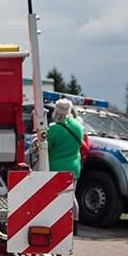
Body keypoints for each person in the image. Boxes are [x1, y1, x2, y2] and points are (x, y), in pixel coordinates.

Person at [48, 98, 84, 229]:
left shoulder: (54, 129)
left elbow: (47, 147)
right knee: (71, 196)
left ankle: (56, 223)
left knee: (55, 197)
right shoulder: (78, 126)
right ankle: (75, 223)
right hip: (74, 167)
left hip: (56, 167)